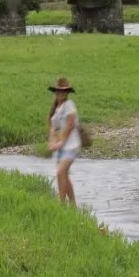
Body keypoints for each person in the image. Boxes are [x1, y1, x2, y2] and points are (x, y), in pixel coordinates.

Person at [47, 77, 80, 206]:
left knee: (60, 172)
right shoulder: (56, 109)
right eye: (58, 91)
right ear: (55, 92)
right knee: (64, 175)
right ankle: (73, 206)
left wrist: (61, 142)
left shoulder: (69, 105)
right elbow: (53, 128)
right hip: (61, 148)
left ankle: (60, 204)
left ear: (67, 93)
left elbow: (70, 124)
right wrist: (52, 141)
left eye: (63, 91)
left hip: (71, 146)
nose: (61, 93)